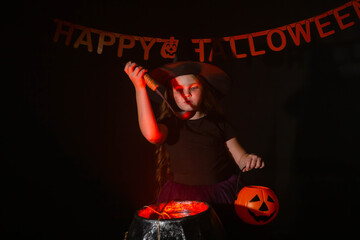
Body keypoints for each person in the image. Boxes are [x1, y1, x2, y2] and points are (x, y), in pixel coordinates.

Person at [124, 60, 264, 235]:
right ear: (171, 93)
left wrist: (249, 159)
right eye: (179, 89)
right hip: (181, 199)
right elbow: (152, 136)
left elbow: (240, 158)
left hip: (220, 197)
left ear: (204, 89)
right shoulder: (170, 124)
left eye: (193, 88)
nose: (186, 94)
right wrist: (140, 89)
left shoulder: (219, 123)